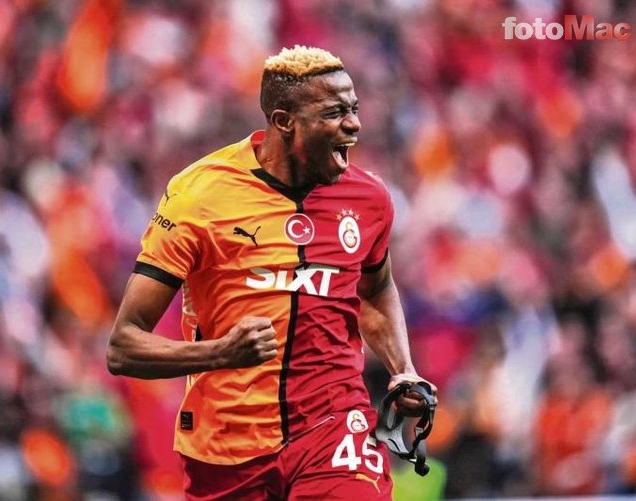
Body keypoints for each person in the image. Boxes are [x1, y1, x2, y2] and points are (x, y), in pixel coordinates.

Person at [107, 45, 437, 500]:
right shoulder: (198, 196)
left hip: (333, 424)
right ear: (285, 121)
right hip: (227, 445)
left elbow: (376, 289)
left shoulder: (368, 199)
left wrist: (404, 370)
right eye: (334, 113)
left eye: (354, 109)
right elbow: (123, 346)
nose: (354, 125)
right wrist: (220, 353)